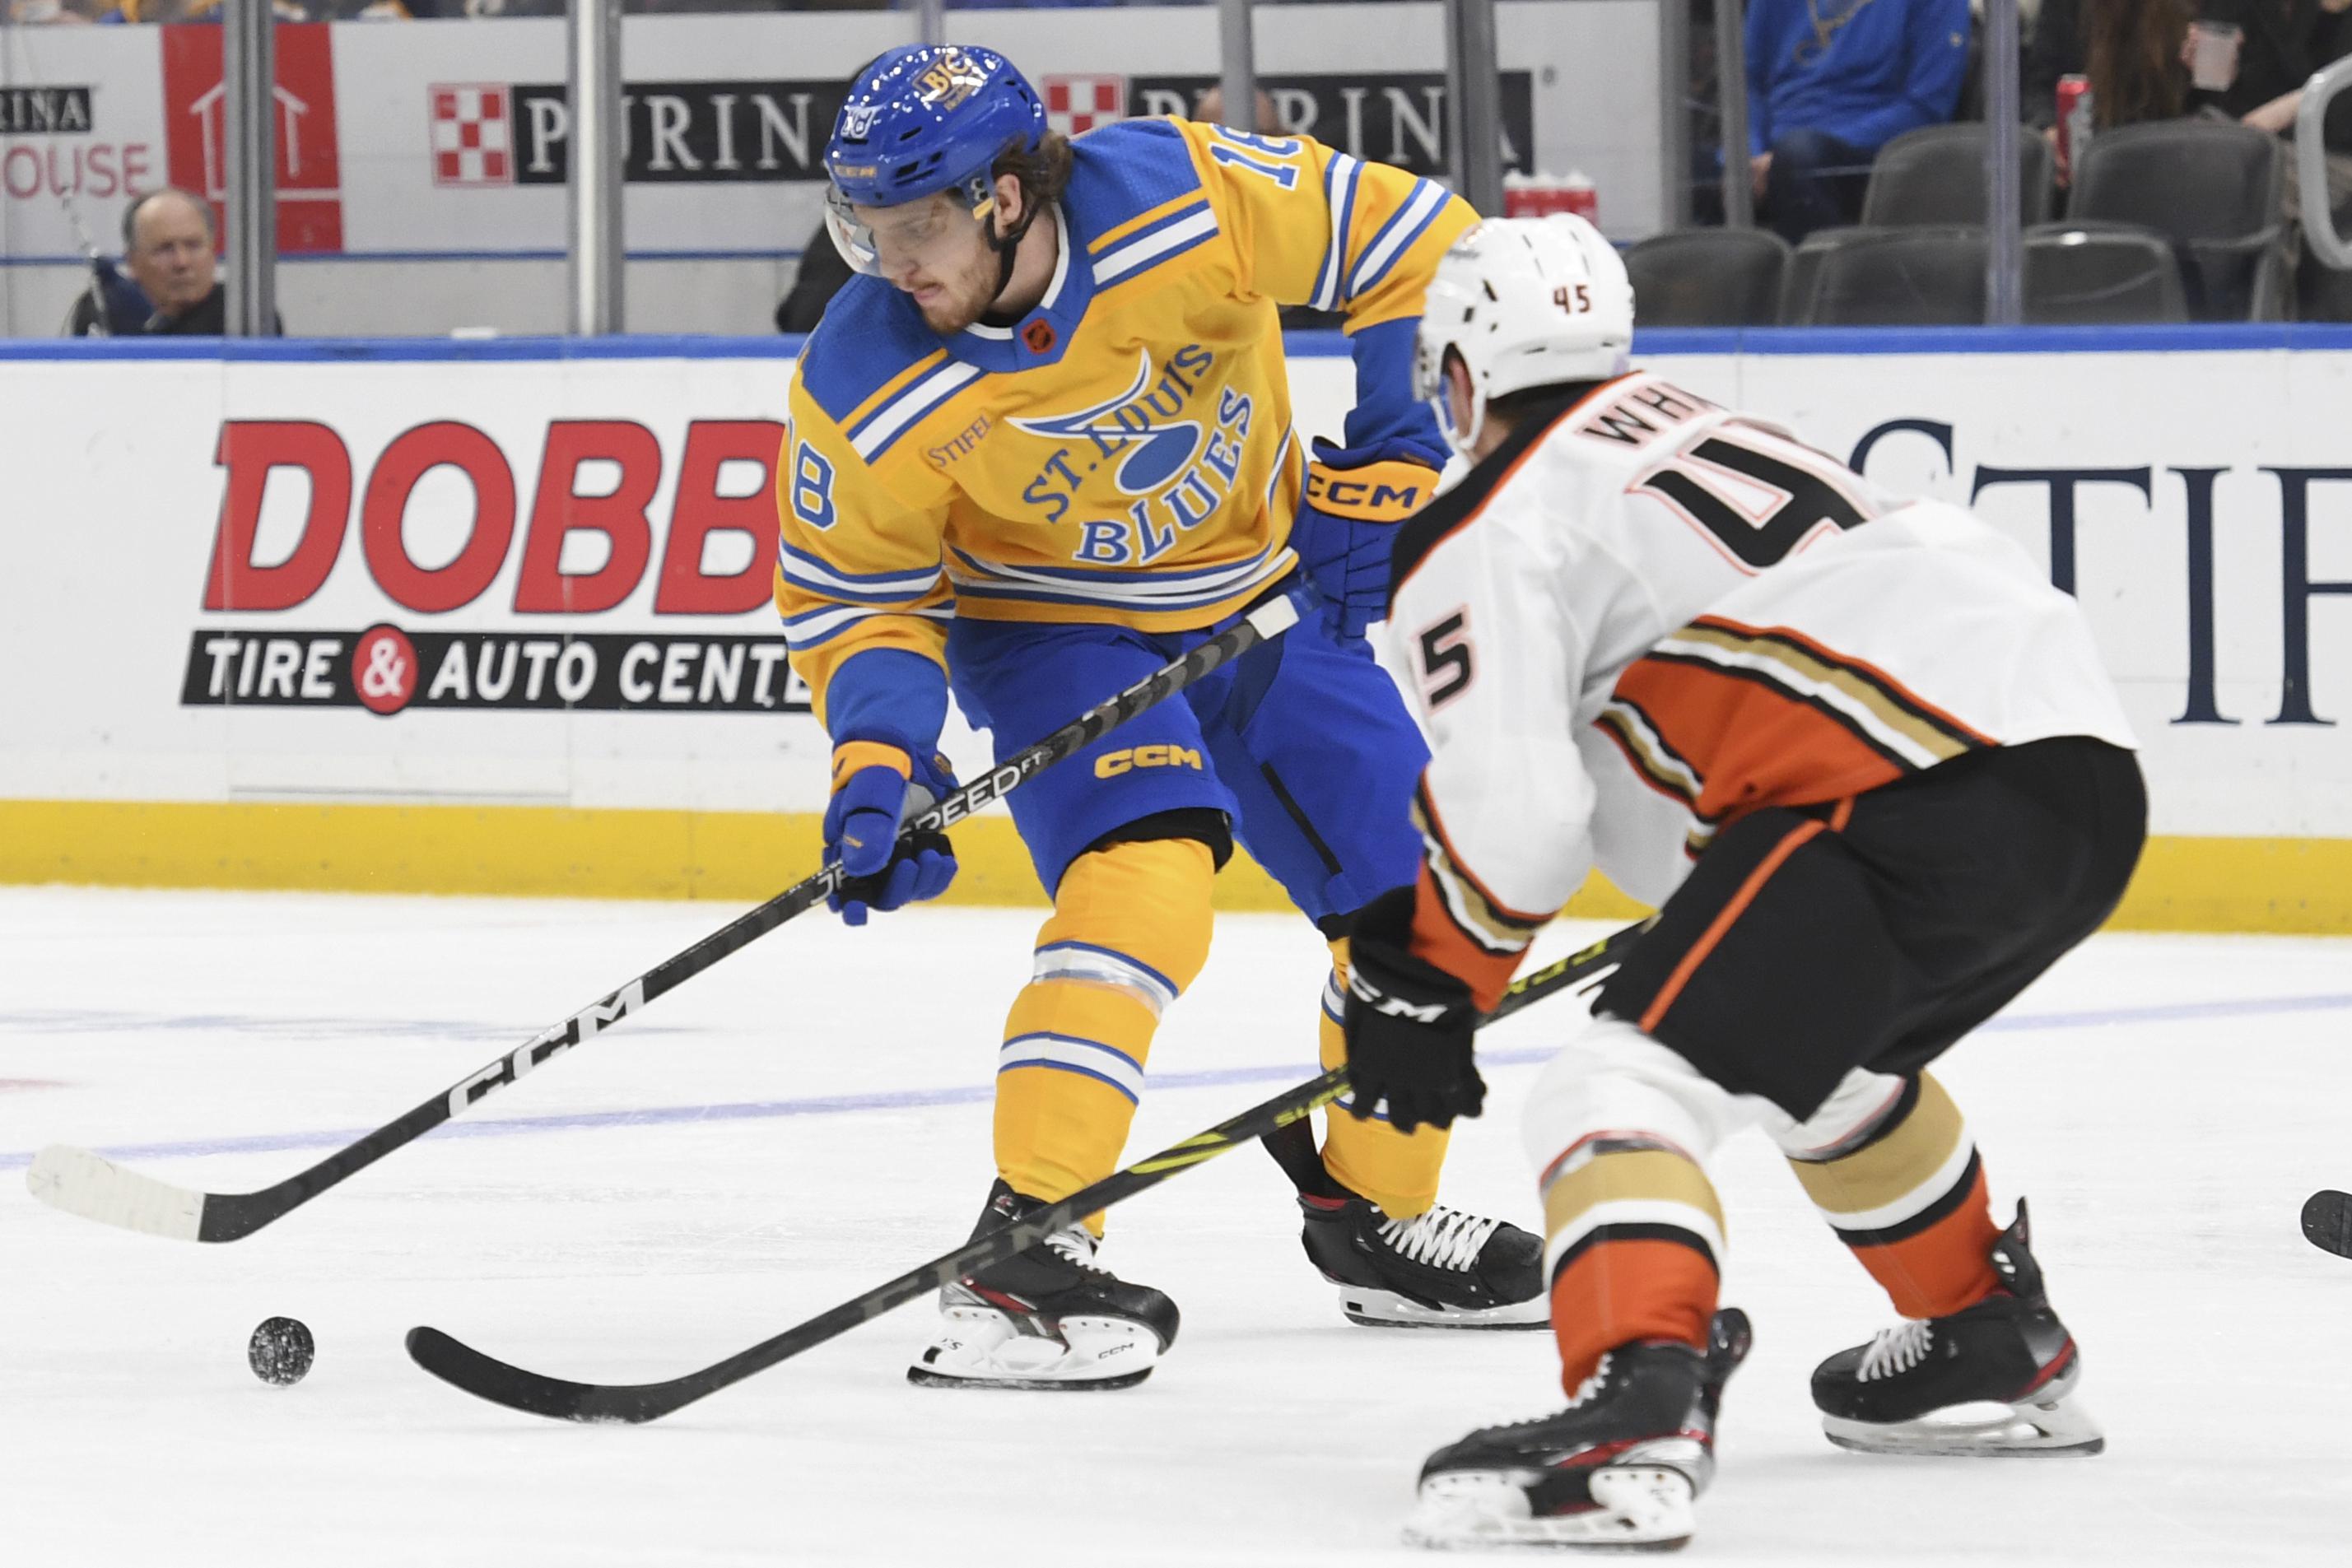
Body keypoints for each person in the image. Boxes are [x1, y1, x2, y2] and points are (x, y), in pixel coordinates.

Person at [1335, 215, 2146, 1548]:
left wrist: (1427, 976)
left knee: (1616, 1081)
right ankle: (1987, 1332)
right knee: (1817, 1060)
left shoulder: (1488, 513)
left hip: (1888, 791)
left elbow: (1522, 821)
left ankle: (1632, 1407)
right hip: (2075, 774)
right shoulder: (1687, 421)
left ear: (1464, 373)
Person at [779, 44, 1549, 1391]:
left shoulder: (1187, 192)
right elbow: (860, 602)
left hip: (1261, 596)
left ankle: (1370, 1215)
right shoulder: (864, 374)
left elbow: (1429, 245)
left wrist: (1394, 449)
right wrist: (881, 766)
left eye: (917, 227)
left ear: (1008, 197)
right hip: (1049, 632)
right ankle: (1025, 1244)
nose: (889, 260)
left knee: (1420, 899)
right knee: (1146, 884)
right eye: (866, 228)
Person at [1744, 0, 1972, 243]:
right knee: (1701, 171)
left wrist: (1778, 162)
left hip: (1873, 154)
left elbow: (1926, 107)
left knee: (1799, 158)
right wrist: (1749, 154)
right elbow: (1747, 84)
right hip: (1770, 154)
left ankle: (1815, 279)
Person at [65, 189, 273, 337]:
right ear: (133, 262)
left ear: (212, 252)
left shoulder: (246, 314)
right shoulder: (108, 308)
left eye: (193, 246)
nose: (182, 263)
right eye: (164, 249)